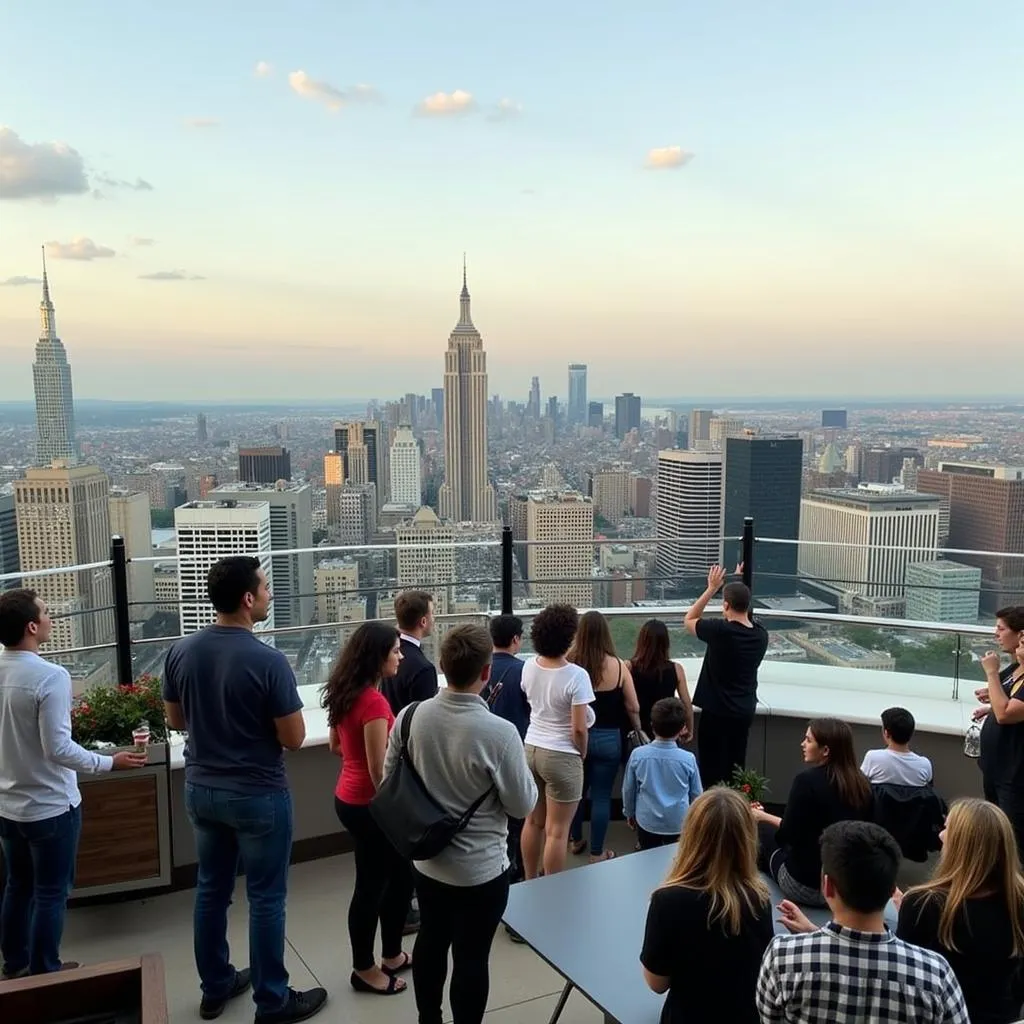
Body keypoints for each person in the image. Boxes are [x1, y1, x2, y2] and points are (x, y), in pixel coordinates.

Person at [162, 556, 326, 1024]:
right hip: (257, 793)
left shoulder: (180, 651)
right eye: (266, 588)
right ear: (248, 599)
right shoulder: (269, 660)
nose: (271, 594)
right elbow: (294, 738)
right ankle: (272, 1002)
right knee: (266, 898)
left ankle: (215, 986)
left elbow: (176, 720)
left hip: (201, 789)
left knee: (211, 891)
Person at [384, 624, 537, 1024]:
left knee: (431, 942)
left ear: (441, 665)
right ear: (486, 673)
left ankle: (428, 1018)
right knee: (472, 956)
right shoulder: (500, 734)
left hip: (427, 862)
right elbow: (522, 805)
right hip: (481, 871)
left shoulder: (409, 717)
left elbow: (388, 782)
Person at [0, 589, 146, 980]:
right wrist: (108, 762)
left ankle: (15, 964)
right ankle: (47, 973)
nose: (51, 618)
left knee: (17, 886)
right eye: (46, 612)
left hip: (8, 806)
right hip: (49, 807)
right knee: (50, 893)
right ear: (32, 627)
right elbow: (59, 748)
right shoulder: (50, 677)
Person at [763, 820, 968, 1023]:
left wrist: (812, 935)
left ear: (827, 886)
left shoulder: (782, 957)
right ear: (891, 890)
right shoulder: (935, 973)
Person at [321, 622, 414, 997]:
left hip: (349, 797)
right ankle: (364, 969)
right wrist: (397, 814)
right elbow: (380, 771)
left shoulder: (346, 692)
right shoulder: (375, 702)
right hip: (370, 807)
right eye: (395, 650)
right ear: (378, 657)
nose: (401, 655)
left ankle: (391, 955)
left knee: (399, 880)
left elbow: (335, 746)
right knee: (372, 888)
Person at [640, 787, 773, 1024]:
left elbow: (656, 983)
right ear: (746, 839)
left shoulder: (667, 901)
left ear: (690, 836)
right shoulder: (759, 898)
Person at [896, 799, 1024, 1024]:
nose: (941, 836)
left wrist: (908, 911)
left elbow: (908, 982)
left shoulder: (923, 904)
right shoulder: (1018, 900)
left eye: (947, 829)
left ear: (960, 844)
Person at [753, 718, 873, 907]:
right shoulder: (864, 785)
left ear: (825, 750)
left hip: (803, 886)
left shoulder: (806, 782)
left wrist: (761, 816)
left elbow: (787, 835)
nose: (803, 744)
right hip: (845, 890)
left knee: (762, 832)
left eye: (808, 740)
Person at [520, 604, 594, 879]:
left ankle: (529, 879)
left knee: (533, 821)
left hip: (531, 749)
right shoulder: (577, 676)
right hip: (562, 753)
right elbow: (579, 728)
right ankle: (551, 891)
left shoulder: (529, 667)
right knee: (557, 831)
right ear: (568, 638)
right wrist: (582, 752)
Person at [684, 564, 768, 789]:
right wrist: (739, 580)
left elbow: (689, 619)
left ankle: (712, 817)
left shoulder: (720, 631)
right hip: (743, 711)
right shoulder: (761, 636)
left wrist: (711, 588)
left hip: (716, 711)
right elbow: (744, 616)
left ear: (726, 605)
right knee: (735, 767)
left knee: (711, 770)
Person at [568, 610, 642, 862]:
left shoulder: (570, 662)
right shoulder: (618, 665)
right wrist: (639, 728)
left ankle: (575, 839)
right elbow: (633, 705)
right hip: (610, 738)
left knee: (576, 792)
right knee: (601, 795)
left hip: (577, 737)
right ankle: (597, 853)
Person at [484, 614, 529, 890]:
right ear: (515, 639)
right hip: (516, 749)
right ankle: (516, 868)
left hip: (482, 748)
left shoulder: (480, 667)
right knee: (518, 816)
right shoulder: (523, 671)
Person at [624, 698, 702, 849]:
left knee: (647, 859)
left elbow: (629, 789)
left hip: (647, 821)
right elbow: (696, 794)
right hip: (679, 822)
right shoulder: (688, 759)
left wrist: (629, 812)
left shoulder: (638, 755)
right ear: (682, 729)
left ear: (652, 726)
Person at [978, 610, 1024, 858]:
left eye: (1002, 629)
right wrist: (990, 704)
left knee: (1013, 841)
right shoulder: (1016, 670)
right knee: (995, 833)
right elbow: (1004, 703)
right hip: (996, 768)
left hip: (1015, 776)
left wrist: (992, 673)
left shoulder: (1005, 670)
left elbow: (1006, 713)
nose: (996, 634)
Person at [627, 618, 693, 742]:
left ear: (641, 641)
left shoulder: (629, 667)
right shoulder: (676, 669)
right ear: (666, 643)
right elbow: (686, 703)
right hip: (668, 730)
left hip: (638, 731)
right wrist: (689, 728)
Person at [382, 590, 438, 715]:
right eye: (432, 614)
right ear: (423, 622)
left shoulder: (384, 652)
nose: (434, 619)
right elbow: (424, 721)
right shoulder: (424, 669)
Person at [860, 706, 933, 786]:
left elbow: (860, 786)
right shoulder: (924, 765)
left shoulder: (873, 758)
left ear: (886, 733)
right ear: (911, 733)